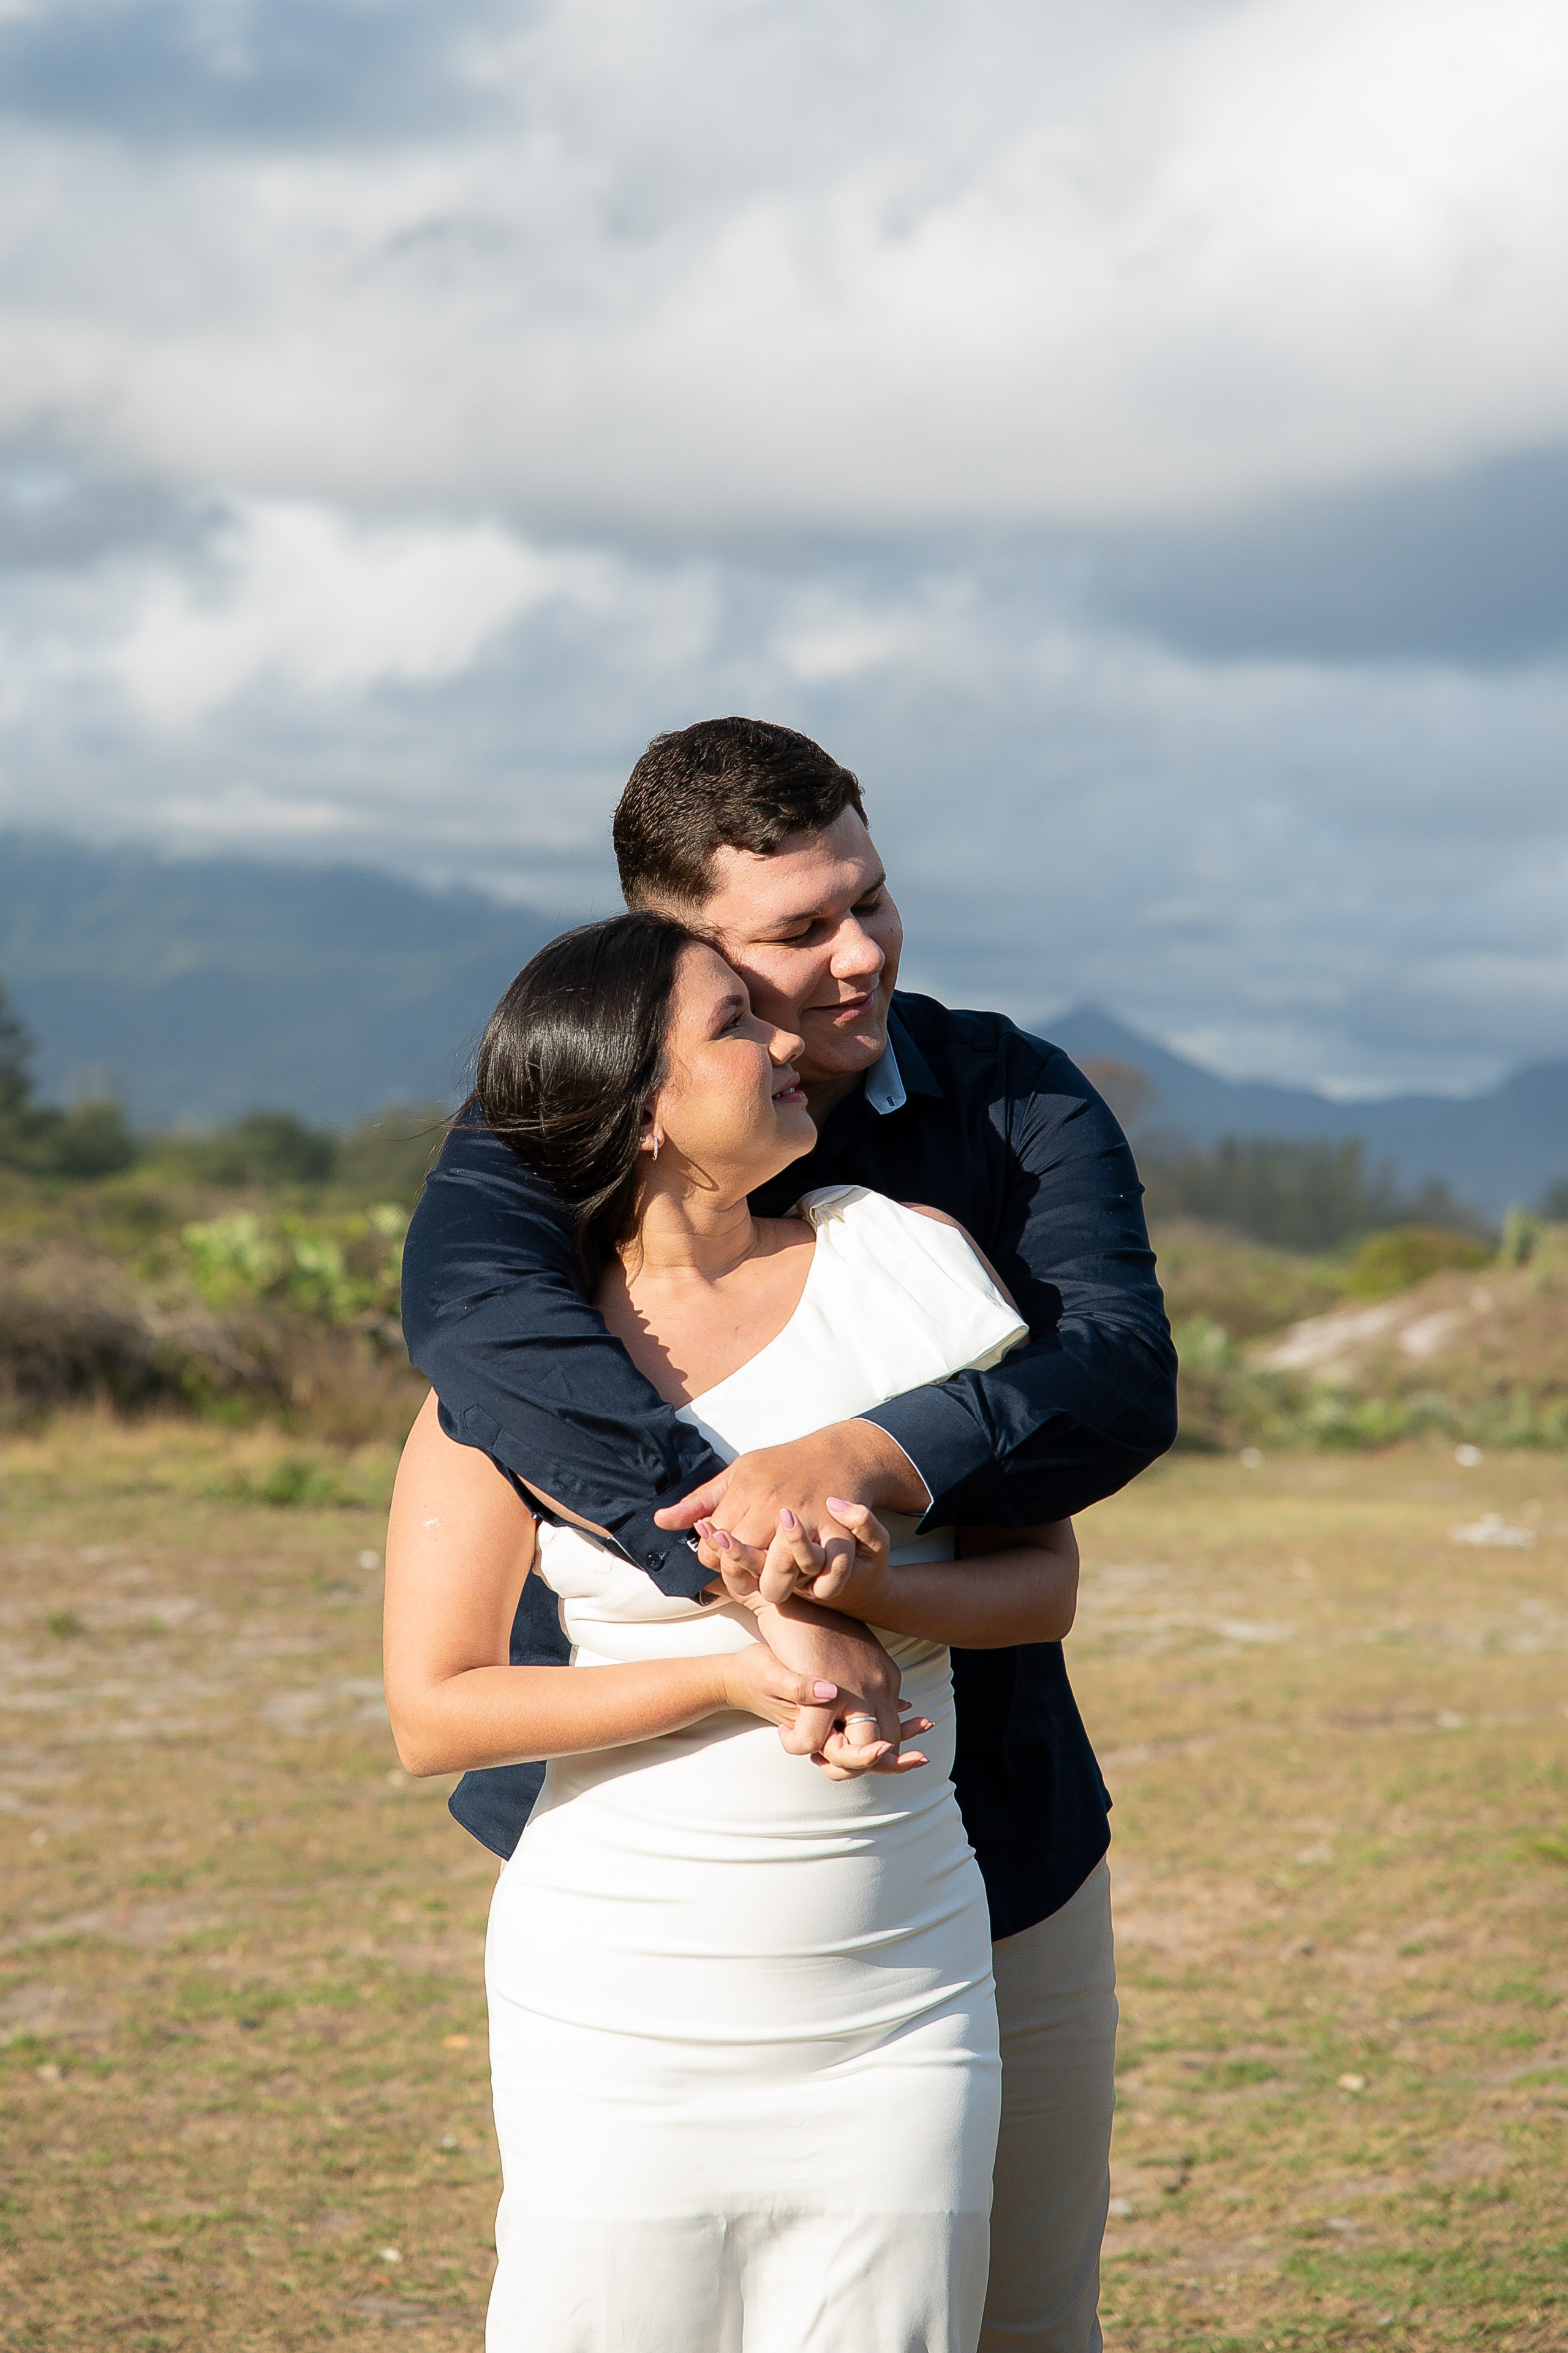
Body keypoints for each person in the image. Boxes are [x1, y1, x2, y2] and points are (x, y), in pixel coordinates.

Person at [401, 719, 1178, 2352]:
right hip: (648, 1893)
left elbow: (1112, 1381)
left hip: (993, 1835)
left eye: (872, 901)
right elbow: (484, 1339)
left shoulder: (1006, 1105)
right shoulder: (543, 1140)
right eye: (794, 933)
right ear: (671, 955)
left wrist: (866, 1456)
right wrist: (757, 1594)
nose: (858, 954)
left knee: (1022, 2319)